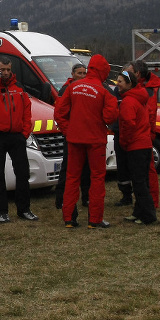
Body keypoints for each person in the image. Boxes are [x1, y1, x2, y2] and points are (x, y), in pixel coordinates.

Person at [54, 54, 119, 229]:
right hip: (95, 140)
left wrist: (69, 131)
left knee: (72, 177)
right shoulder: (105, 90)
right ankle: (95, 219)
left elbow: (59, 113)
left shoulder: (72, 87)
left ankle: (69, 218)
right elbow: (110, 116)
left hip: (74, 140)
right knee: (97, 178)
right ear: (104, 71)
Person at [0, 57, 38, 223]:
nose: (5, 73)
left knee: (22, 173)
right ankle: (2, 211)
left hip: (17, 135)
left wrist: (24, 132)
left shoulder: (19, 87)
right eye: (2, 70)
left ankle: (24, 209)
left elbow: (27, 111)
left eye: (8, 70)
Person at [115, 70, 157, 225]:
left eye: (120, 81)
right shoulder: (139, 99)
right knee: (142, 181)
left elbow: (128, 125)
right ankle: (138, 212)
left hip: (135, 146)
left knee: (139, 183)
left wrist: (124, 142)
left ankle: (148, 215)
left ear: (129, 84)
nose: (117, 84)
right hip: (144, 144)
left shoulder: (128, 102)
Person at [54, 63, 90, 213]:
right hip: (71, 136)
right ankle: (60, 199)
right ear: (73, 74)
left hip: (85, 135)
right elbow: (59, 113)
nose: (82, 76)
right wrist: (68, 131)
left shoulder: (87, 89)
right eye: (79, 73)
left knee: (87, 169)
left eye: (84, 73)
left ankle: (86, 197)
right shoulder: (65, 90)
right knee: (67, 168)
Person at [125, 61, 160, 209]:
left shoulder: (147, 90)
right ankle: (145, 201)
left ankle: (151, 202)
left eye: (129, 72)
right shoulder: (141, 89)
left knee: (147, 171)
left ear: (137, 74)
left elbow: (150, 114)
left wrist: (150, 134)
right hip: (143, 134)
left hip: (143, 136)